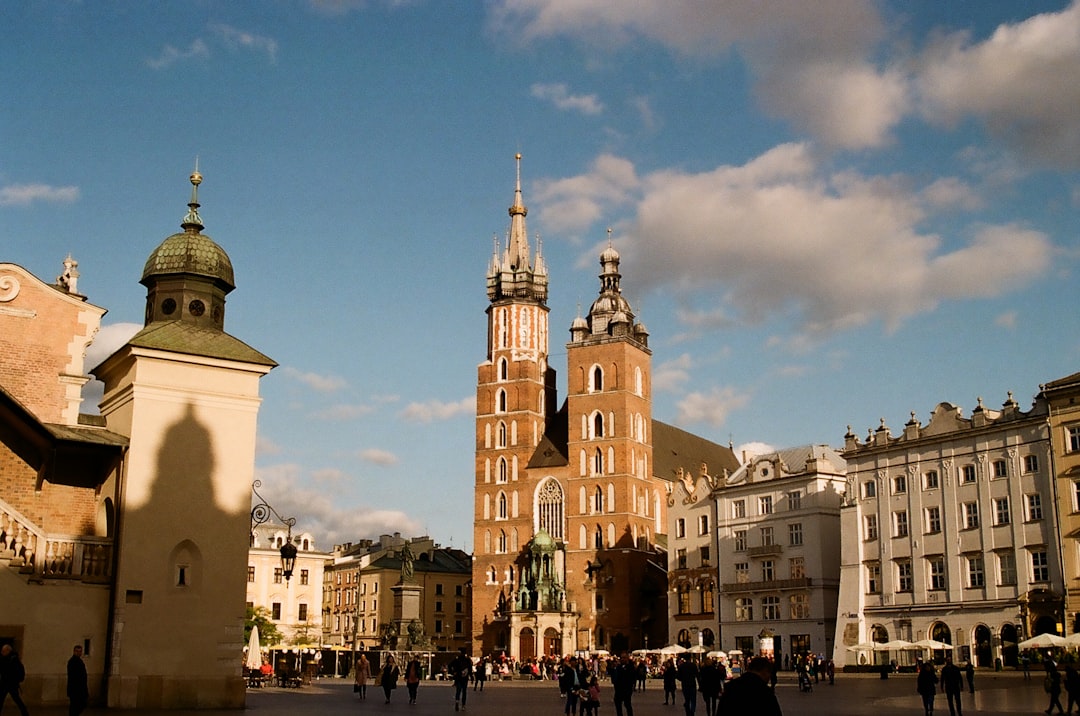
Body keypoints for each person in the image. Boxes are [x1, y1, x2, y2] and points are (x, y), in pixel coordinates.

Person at [717, 656, 782, 716]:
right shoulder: (765, 692)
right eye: (769, 673)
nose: (769, 677)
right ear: (764, 671)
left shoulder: (731, 687)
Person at [0, 644, 30, 716]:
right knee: (2, 699)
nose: (1, 652)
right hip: (5, 683)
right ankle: (25, 713)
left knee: (17, 699)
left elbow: (16, 671)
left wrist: (15, 680)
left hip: (11, 684)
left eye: (3, 651)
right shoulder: (5, 659)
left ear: (8, 651)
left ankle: (25, 713)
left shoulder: (14, 660)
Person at [611, 652, 636, 716]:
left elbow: (633, 678)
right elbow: (615, 677)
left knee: (627, 704)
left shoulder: (631, 667)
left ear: (627, 658)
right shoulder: (618, 667)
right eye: (621, 658)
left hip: (627, 689)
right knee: (618, 704)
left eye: (624, 658)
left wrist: (631, 687)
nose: (622, 659)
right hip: (618, 690)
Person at [66, 645, 88, 716]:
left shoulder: (79, 661)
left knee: (79, 706)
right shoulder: (72, 662)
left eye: (80, 651)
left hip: (80, 689)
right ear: (74, 652)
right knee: (75, 707)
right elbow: (74, 676)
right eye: (77, 651)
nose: (79, 653)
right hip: (75, 689)